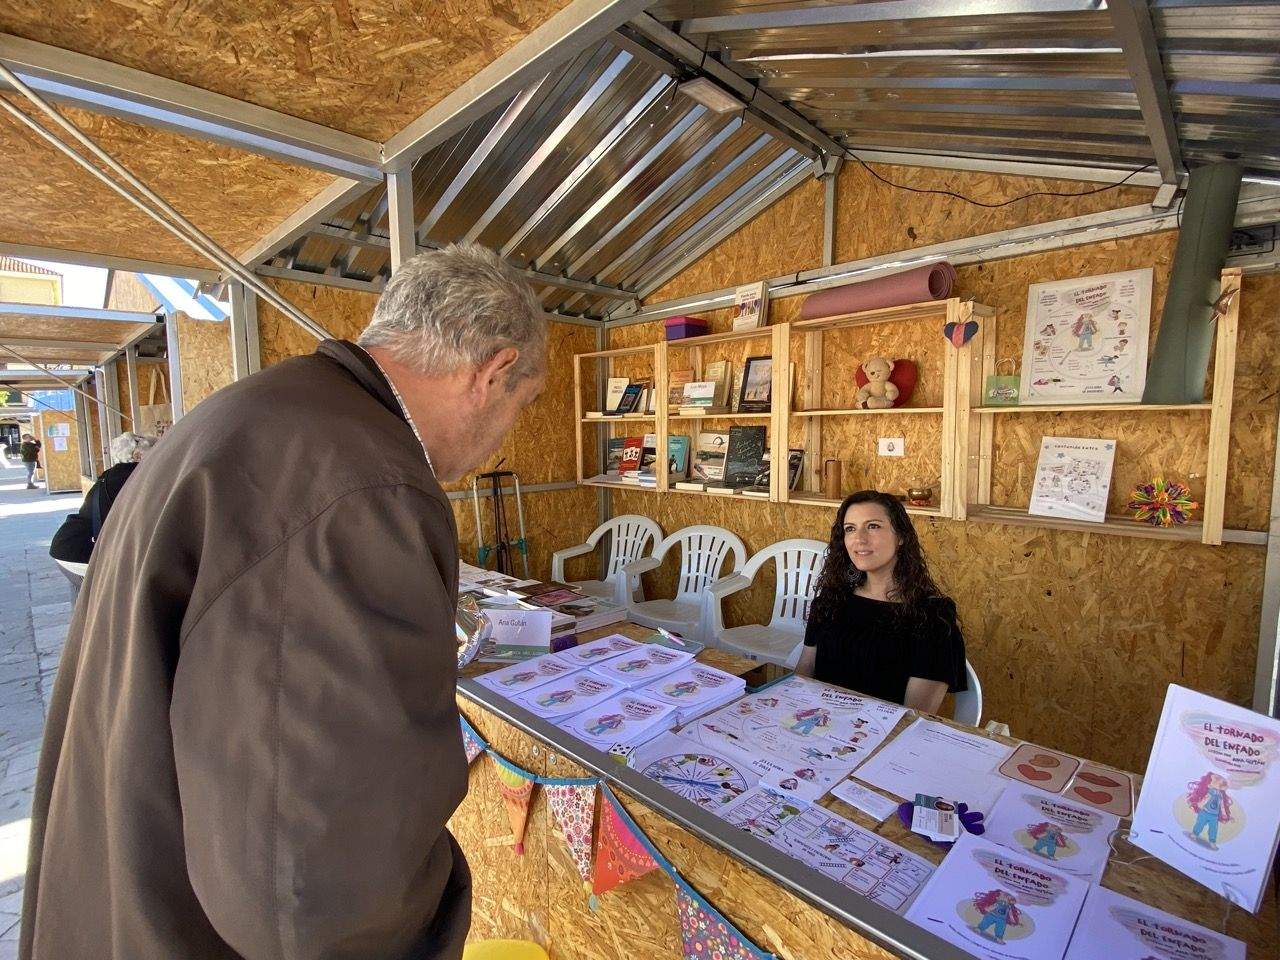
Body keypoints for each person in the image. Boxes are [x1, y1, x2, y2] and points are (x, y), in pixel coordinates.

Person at [21, 243, 547, 960]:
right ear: (495, 373)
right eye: (522, 406)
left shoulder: (260, 413)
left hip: (125, 892)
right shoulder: (366, 484)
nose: (502, 436)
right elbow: (315, 878)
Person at [795, 489, 967, 713]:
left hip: (881, 738)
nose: (860, 539)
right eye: (850, 529)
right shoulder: (831, 600)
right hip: (818, 727)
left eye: (873, 526)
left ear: (901, 536)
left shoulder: (931, 616)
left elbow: (914, 715)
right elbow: (804, 674)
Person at [49, 431, 157, 564]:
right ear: (138, 456)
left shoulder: (111, 475)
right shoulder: (134, 478)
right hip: (81, 550)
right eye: (153, 453)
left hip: (68, 544)